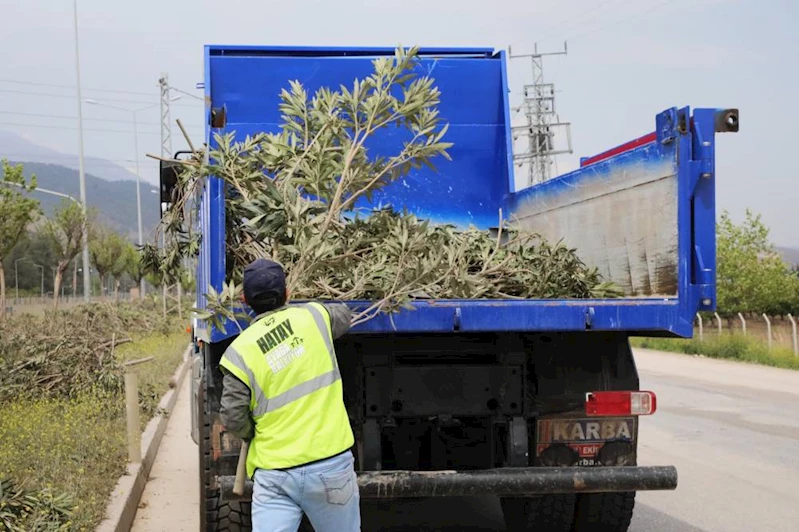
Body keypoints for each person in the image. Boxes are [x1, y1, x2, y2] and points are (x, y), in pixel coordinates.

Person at [219, 258, 360, 532]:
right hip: (330, 468)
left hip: (274, 474)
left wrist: (252, 433)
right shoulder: (315, 318)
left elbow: (233, 417)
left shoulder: (239, 353)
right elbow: (344, 314)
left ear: (245, 300)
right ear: (287, 293)